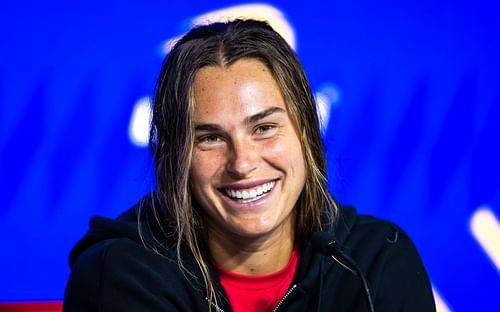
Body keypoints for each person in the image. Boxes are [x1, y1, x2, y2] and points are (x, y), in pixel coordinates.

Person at [63, 19, 436, 311]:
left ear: (306, 132)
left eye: (264, 128)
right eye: (209, 138)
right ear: (174, 156)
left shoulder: (376, 263)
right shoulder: (121, 276)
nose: (242, 163)